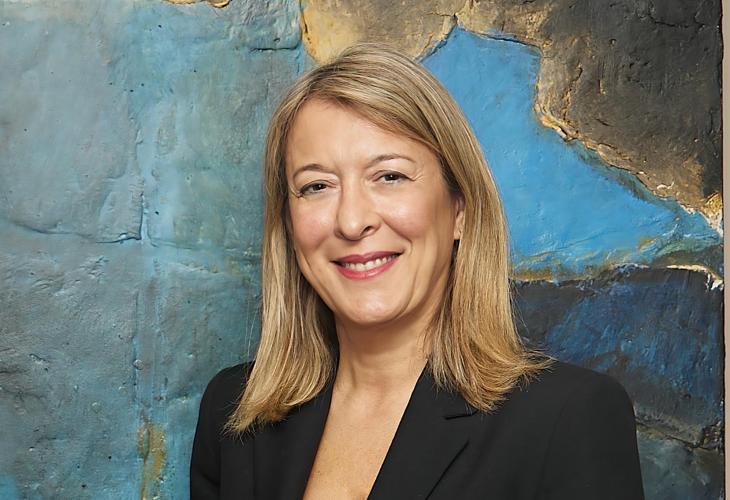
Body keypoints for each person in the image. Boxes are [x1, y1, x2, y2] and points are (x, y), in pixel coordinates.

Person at [190, 43, 644, 499]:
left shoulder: (569, 417)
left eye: (390, 176)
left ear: (459, 207)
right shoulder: (233, 415)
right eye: (317, 186)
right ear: (288, 224)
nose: (352, 221)